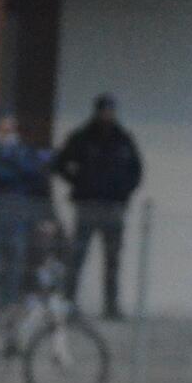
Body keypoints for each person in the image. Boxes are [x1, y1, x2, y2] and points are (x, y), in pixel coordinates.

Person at [53, 94, 143, 320]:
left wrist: (123, 191)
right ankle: (69, 304)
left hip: (114, 206)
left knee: (113, 260)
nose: (107, 115)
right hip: (88, 205)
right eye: (104, 110)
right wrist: (80, 183)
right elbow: (60, 163)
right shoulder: (81, 137)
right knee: (77, 257)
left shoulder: (123, 139)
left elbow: (136, 170)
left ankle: (111, 306)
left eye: (110, 111)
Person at [0, 109, 50, 312]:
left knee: (16, 253)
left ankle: (10, 300)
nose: (10, 126)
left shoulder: (21, 147)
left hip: (17, 208)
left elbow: (34, 172)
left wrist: (15, 163)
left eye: (12, 122)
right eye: (6, 122)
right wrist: (19, 168)